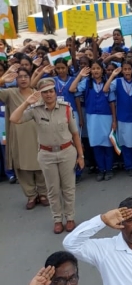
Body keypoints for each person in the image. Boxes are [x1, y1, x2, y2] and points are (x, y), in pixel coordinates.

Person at [8, 78, 85, 234]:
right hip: (46, 154)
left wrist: (81, 156)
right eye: (45, 92)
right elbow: (14, 119)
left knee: (68, 188)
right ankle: (57, 219)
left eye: (51, 91)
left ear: (55, 92)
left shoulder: (66, 108)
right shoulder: (35, 110)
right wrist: (26, 103)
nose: (49, 95)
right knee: (53, 190)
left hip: (66, 152)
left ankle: (70, 218)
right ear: (40, 94)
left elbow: (75, 134)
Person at [0, 65, 48, 203]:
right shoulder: (10, 93)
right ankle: (31, 195)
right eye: (19, 76)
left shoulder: (38, 93)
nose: (22, 79)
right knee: (23, 167)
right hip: (19, 136)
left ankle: (43, 193)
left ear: (30, 77)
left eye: (25, 76)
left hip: (39, 135)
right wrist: (2, 80)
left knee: (41, 164)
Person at [104, 62, 132, 176]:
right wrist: (113, 75)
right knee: (126, 144)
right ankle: (129, 166)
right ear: (122, 71)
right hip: (123, 118)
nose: (127, 71)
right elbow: (105, 89)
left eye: (129, 69)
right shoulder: (117, 82)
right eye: (125, 69)